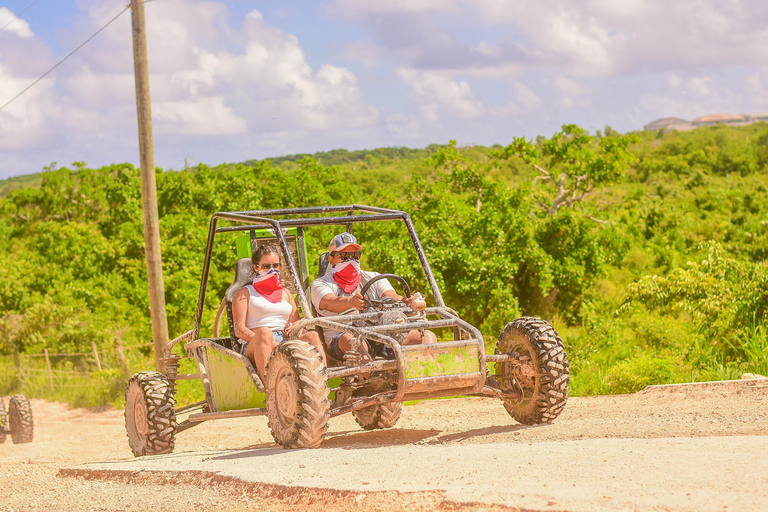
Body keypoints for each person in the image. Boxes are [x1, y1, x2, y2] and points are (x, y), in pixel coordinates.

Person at [310, 232, 436, 364]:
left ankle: (429, 376)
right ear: (331, 259)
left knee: (426, 336)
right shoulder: (320, 284)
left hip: (381, 334)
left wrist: (406, 302)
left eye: (355, 255)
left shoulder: (373, 277)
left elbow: (390, 295)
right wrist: (350, 302)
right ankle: (373, 379)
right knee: (351, 341)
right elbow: (329, 302)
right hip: (343, 339)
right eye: (345, 256)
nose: (351, 259)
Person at [232, 243, 325, 380]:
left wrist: (295, 326)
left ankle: (322, 381)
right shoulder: (245, 293)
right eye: (266, 266)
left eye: (276, 266)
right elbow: (239, 329)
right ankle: (269, 386)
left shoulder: (285, 293)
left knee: (312, 336)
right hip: (256, 343)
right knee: (265, 332)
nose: (272, 270)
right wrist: (267, 341)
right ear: (256, 267)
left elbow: (297, 321)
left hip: (285, 340)